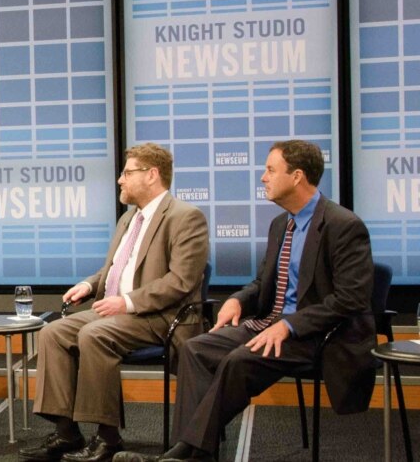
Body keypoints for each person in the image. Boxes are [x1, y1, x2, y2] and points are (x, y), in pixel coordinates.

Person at [116, 140, 375, 462]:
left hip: (317, 334)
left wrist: (290, 326)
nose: (263, 178)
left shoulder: (343, 225)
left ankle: (188, 454)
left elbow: (351, 298)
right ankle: (191, 452)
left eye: (270, 170)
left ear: (296, 176)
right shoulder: (282, 224)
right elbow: (262, 283)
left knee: (240, 359)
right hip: (270, 324)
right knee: (195, 348)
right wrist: (238, 300)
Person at [21, 143, 209, 462]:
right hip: (117, 312)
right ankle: (67, 432)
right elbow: (116, 269)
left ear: (152, 175)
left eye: (127, 172)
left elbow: (181, 281)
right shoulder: (129, 219)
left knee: (94, 335)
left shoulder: (185, 217)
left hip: (162, 317)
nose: (120, 180)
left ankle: (107, 439)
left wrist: (128, 302)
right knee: (52, 332)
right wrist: (89, 283)